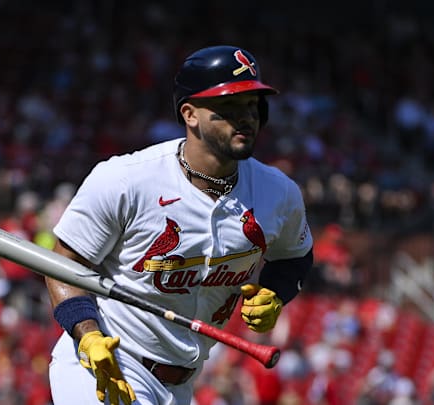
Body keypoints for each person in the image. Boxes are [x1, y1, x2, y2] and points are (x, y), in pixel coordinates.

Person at [45, 45, 314, 405]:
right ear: (190, 114)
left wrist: (276, 294)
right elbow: (63, 266)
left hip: (181, 385)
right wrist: (88, 335)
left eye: (253, 106)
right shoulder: (125, 180)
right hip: (105, 363)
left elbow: (295, 258)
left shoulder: (278, 193)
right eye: (229, 108)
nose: (247, 118)